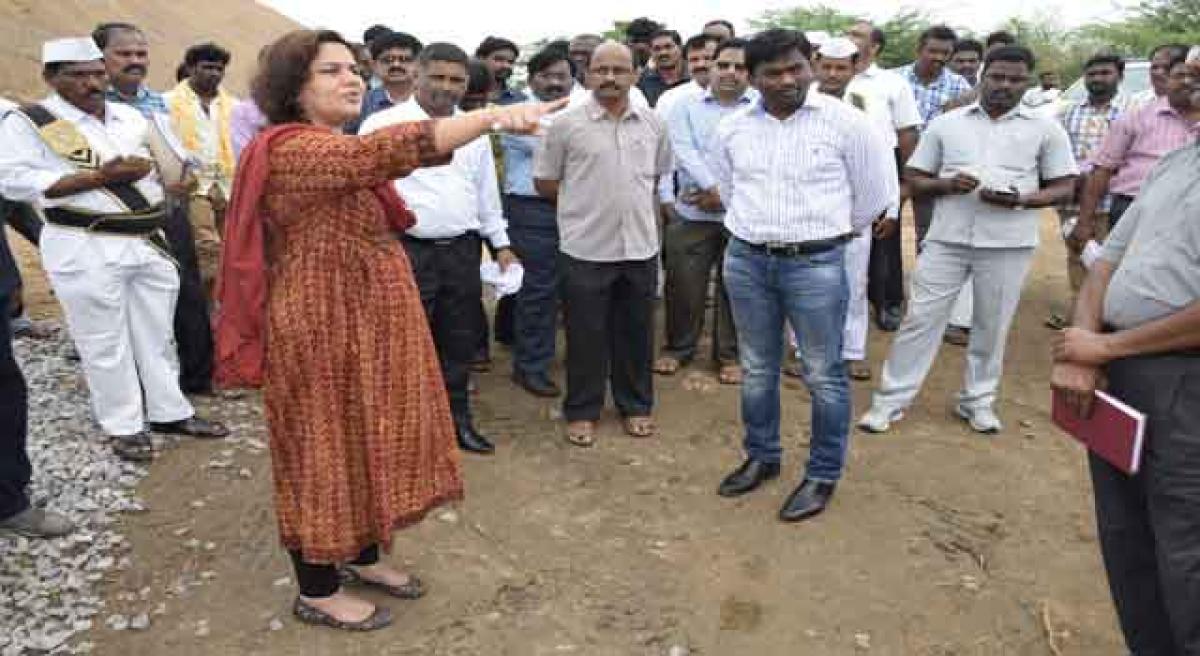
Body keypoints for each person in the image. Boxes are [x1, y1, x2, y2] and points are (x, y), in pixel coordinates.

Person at [214, 28, 561, 630]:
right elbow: (386, 152)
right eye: (330, 71)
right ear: (292, 88)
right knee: (321, 452)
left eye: (353, 68)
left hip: (364, 324)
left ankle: (364, 555)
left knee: (366, 436)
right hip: (320, 330)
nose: (351, 79)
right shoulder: (294, 149)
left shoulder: (327, 143)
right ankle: (317, 589)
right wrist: (495, 117)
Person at [0, 38, 228, 462]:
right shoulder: (29, 122)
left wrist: (179, 178)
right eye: (79, 75)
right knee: (103, 339)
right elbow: (12, 181)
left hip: (145, 240)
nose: (92, 83)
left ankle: (169, 411)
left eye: (97, 73)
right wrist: (97, 178)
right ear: (51, 77)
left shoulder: (127, 116)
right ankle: (123, 425)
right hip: (84, 243)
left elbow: (168, 166)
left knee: (157, 333)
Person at [711, 29, 895, 522]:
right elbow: (730, 191)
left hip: (815, 264)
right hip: (747, 260)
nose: (788, 79)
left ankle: (822, 473)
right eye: (773, 72)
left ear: (810, 65)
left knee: (823, 373)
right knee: (757, 367)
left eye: (797, 67)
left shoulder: (849, 125)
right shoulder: (732, 128)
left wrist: (820, 238)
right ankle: (763, 457)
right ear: (752, 78)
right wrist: (762, 232)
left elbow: (870, 199)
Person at [1050, 53, 1200, 655]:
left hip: (1183, 384)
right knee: (1126, 537)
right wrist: (1087, 353)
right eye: (1191, 69)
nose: (1190, 80)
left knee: (1186, 547)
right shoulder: (1176, 162)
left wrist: (1105, 344)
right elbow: (1107, 260)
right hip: (1120, 379)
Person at [858, 45, 1078, 436]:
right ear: (982, 76)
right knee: (920, 321)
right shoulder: (948, 124)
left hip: (1008, 242)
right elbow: (914, 178)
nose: (1004, 86)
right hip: (947, 239)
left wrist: (1023, 200)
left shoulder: (1045, 129)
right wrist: (946, 184)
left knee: (991, 326)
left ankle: (977, 401)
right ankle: (890, 401)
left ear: (1027, 82)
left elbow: (1065, 186)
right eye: (997, 77)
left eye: (1015, 79)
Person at [360, 42, 516, 455]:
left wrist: (500, 244)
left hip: (461, 252)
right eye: (438, 78)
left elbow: (486, 196)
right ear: (417, 75)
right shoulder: (382, 124)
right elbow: (367, 192)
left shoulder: (474, 129)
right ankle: (402, 435)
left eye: (456, 80)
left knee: (458, 338)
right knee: (402, 343)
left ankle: (456, 422)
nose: (446, 88)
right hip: (404, 251)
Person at [533, 41, 671, 448]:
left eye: (619, 70)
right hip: (585, 248)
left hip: (640, 248)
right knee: (585, 335)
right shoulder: (565, 124)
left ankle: (635, 405)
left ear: (633, 74)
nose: (610, 78)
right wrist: (584, 206)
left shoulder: (654, 124)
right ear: (587, 74)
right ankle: (582, 410)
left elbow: (658, 177)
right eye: (601, 70)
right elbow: (545, 182)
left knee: (637, 332)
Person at [94, 22, 215, 394]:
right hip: (116, 218)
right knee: (127, 303)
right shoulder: (91, 104)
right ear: (100, 58)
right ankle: (135, 391)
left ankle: (195, 378)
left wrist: (185, 174)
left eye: (140, 54)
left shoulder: (157, 102)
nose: (135, 61)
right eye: (124, 54)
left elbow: (172, 150)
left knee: (186, 290)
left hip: (168, 209)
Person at [654, 38, 755, 386]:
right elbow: (682, 151)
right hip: (692, 213)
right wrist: (713, 189)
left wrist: (723, 196)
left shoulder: (759, 107)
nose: (730, 72)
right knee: (684, 285)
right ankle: (679, 348)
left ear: (750, 73)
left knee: (738, 287)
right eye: (722, 64)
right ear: (709, 67)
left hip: (744, 216)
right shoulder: (684, 106)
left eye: (739, 67)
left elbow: (759, 160)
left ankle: (730, 355)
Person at [814, 37, 902, 383]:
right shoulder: (802, 103)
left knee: (853, 283)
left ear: (855, 68)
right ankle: (804, 350)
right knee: (807, 284)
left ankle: (851, 352)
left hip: (857, 210)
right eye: (827, 66)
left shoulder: (868, 105)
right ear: (816, 65)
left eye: (841, 68)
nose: (833, 74)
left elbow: (885, 160)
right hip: (811, 210)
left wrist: (891, 208)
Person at [896, 25, 975, 346]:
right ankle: (886, 299)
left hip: (936, 175)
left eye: (946, 53)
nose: (940, 58)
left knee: (931, 240)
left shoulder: (960, 85)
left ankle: (925, 307)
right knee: (881, 233)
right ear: (919, 48)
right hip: (892, 167)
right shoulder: (894, 80)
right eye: (934, 51)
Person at [502, 46, 573, 398]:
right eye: (547, 76)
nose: (555, 83)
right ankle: (530, 367)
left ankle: (559, 358)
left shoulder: (579, 111)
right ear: (531, 80)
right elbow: (554, 147)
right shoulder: (518, 113)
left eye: (562, 76)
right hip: (532, 211)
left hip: (574, 210)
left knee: (573, 288)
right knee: (538, 291)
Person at [845, 20, 922, 334]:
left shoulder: (892, 83)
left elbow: (907, 133)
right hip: (838, 165)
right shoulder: (827, 76)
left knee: (883, 236)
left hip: (882, 164)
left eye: (857, 35)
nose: (849, 39)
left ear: (874, 47)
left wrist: (906, 180)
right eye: (847, 33)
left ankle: (887, 302)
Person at [1073, 53, 1198, 245]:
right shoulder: (1136, 118)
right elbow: (1101, 171)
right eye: (1179, 75)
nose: (1187, 82)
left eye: (1196, 76)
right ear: (1166, 79)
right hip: (1134, 209)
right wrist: (1084, 221)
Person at [1048, 53, 1127, 329]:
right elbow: (1056, 155)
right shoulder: (1068, 113)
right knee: (1077, 255)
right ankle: (1080, 319)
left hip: (1112, 201)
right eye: (1092, 74)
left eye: (1105, 73)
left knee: (1108, 258)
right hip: (1073, 201)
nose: (1097, 79)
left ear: (1119, 76)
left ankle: (1105, 319)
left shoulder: (1129, 114)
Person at [165, 42, 237, 300]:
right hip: (194, 184)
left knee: (231, 244)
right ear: (191, 68)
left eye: (219, 69)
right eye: (207, 67)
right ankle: (210, 304)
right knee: (206, 245)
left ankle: (227, 303)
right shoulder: (168, 103)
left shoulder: (232, 106)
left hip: (228, 184)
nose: (214, 74)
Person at [346, 31, 423, 134]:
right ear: (374, 65)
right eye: (387, 60)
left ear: (419, 65)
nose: (396, 65)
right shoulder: (361, 104)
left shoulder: (430, 102)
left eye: (404, 59)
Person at [654, 34, 719, 119]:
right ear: (686, 62)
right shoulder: (669, 99)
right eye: (694, 60)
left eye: (707, 58)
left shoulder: (737, 96)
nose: (700, 65)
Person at [1129, 43, 1190, 109]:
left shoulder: (1193, 102)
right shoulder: (1138, 101)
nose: (1159, 73)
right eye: (1154, 67)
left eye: (1167, 68)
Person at [638, 29, 687, 106]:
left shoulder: (694, 77)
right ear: (651, 52)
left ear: (680, 48)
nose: (663, 52)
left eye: (668, 47)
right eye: (657, 49)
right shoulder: (643, 82)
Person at [475, 36, 526, 105]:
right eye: (499, 59)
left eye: (510, 62)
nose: (506, 65)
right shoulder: (461, 96)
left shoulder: (520, 99)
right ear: (481, 59)